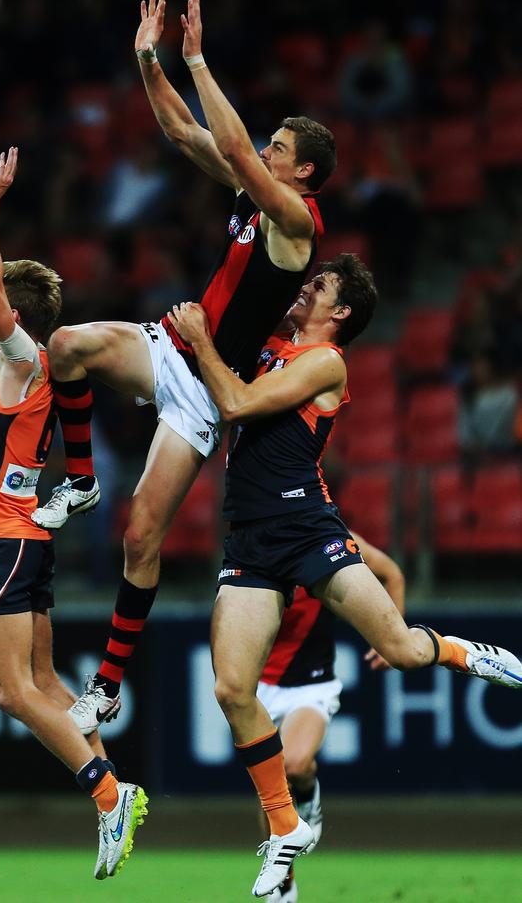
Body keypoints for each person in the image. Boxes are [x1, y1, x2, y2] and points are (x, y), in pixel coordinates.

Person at [168, 254, 522, 898]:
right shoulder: (272, 345)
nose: (305, 289)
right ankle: (283, 830)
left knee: (403, 648)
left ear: (342, 313)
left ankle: (468, 652)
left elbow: (237, 403)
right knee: (229, 689)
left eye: (319, 287)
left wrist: (200, 341)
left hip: (308, 529)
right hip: (250, 539)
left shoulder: (326, 362)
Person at [32, 0, 337, 731]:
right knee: (66, 346)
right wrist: (148, 57)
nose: (264, 153)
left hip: (207, 389)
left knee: (141, 538)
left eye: (278, 152)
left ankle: (104, 686)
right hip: (172, 345)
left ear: (302, 177)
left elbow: (232, 146)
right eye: (268, 145)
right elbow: (179, 129)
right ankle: (78, 481)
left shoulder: (296, 223)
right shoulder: (254, 195)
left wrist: (195, 56)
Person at [0, 148, 147, 881]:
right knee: (50, 689)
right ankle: (116, 802)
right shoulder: (21, 362)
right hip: (28, 543)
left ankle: (110, 794)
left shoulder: (21, 360)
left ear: (9, 317)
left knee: (12, 693)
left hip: (1, 541)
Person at [259, 534, 405, 903]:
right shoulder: (252, 537)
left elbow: (392, 574)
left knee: (293, 765)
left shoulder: (331, 535)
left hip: (311, 684)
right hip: (257, 685)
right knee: (270, 793)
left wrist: (393, 638)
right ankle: (284, 885)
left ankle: (308, 795)